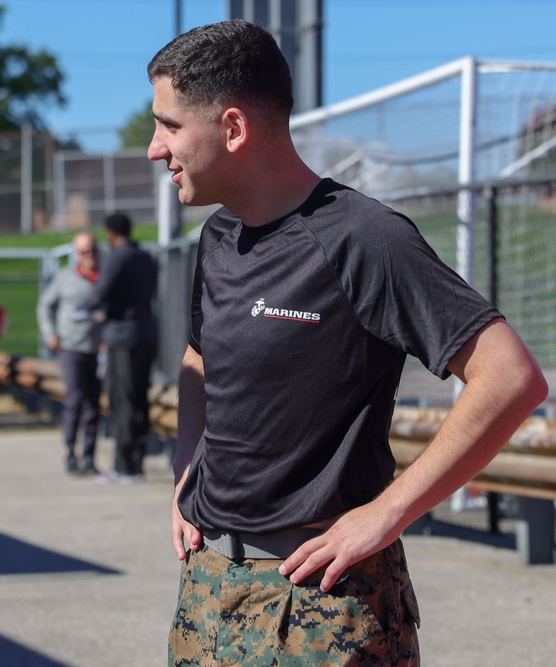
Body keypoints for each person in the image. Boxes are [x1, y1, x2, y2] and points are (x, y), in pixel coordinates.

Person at [147, 20, 548, 666]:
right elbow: (199, 356)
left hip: (323, 605)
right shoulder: (217, 239)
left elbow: (510, 378)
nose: (153, 149)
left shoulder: (365, 238)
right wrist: (186, 466)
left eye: (167, 125)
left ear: (232, 128)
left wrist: (386, 513)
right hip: (208, 591)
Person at [80, 213, 158, 485]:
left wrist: (81, 308)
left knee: (121, 399)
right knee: (138, 398)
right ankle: (136, 464)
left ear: (110, 234)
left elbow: (101, 292)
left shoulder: (118, 256)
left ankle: (123, 467)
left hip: (122, 337)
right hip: (146, 332)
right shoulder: (145, 256)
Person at [36, 232, 103, 474]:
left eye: (94, 250)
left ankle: (89, 457)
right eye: (85, 252)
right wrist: (50, 334)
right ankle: (71, 455)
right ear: (76, 255)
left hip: (98, 350)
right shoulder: (65, 278)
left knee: (93, 405)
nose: (90, 257)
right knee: (75, 399)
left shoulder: (105, 278)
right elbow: (45, 305)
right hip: (71, 348)